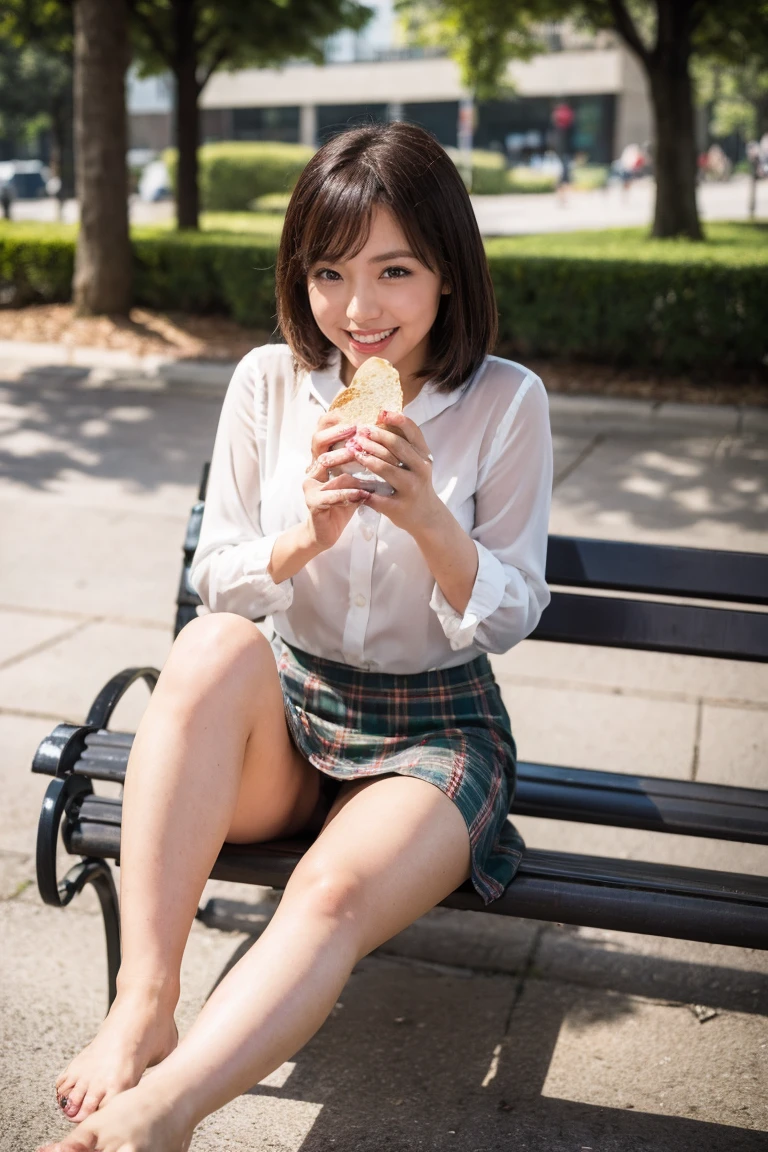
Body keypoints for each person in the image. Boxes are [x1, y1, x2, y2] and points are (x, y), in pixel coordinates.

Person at [39, 121, 553, 1152]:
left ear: (449, 273)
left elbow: (513, 613)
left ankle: (164, 1112)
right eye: (329, 272)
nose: (358, 310)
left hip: (435, 730)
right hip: (293, 709)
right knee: (210, 648)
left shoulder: (505, 404)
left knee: (329, 890)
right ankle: (145, 998)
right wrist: (302, 539)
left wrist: (430, 522)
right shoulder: (270, 385)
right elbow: (214, 578)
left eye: (394, 271)